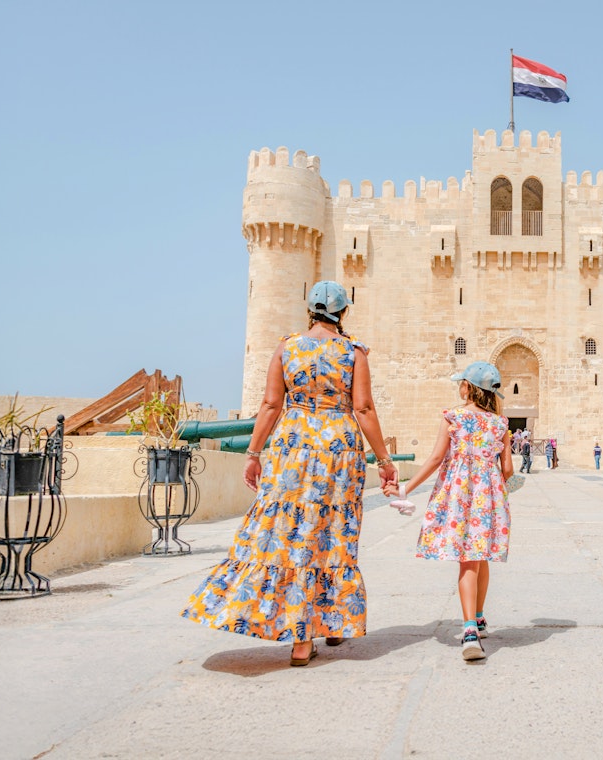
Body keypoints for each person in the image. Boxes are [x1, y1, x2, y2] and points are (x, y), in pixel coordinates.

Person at [183, 281, 397, 667]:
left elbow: (269, 404)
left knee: (288, 531)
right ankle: (330, 620)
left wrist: (253, 454)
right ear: (343, 312)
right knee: (331, 532)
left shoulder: (288, 346)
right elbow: (363, 409)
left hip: (291, 446)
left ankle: (300, 641)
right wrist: (384, 461)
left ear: (309, 310)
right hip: (338, 450)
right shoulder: (354, 352)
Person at [385, 361, 512, 660]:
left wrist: (405, 489)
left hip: (460, 496)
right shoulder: (501, 424)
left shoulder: (452, 417)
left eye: (461, 383)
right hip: (490, 498)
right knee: (480, 556)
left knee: (467, 561)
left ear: (468, 387)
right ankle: (480, 617)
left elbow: (434, 460)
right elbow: (507, 470)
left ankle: (469, 631)